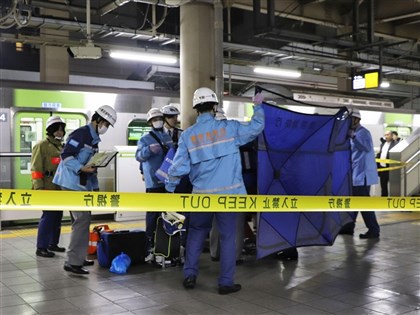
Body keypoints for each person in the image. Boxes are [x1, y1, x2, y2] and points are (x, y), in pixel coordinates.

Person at [165, 87, 265, 295]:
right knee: (228, 237)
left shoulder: (188, 135)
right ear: (215, 106)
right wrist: (258, 107)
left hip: (201, 196)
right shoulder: (229, 128)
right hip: (229, 196)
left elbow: (179, 167)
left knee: (196, 233)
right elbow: (257, 127)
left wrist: (171, 187)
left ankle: (190, 275)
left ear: (196, 109)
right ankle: (226, 282)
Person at [53, 105, 117, 274]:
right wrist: (81, 168)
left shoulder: (94, 139)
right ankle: (73, 262)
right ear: (98, 120)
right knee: (81, 220)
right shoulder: (81, 133)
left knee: (83, 220)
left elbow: (91, 167)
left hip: (81, 185)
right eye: (106, 124)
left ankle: (78, 257)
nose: (106, 128)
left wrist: (95, 189)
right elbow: (66, 156)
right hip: (69, 182)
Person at [135, 108, 173, 258]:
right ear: (150, 122)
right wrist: (148, 150)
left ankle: (165, 241)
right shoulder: (145, 139)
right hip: (153, 182)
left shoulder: (167, 136)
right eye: (154, 119)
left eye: (159, 118)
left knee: (167, 212)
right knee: (152, 213)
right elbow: (138, 157)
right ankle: (149, 242)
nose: (157, 121)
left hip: (168, 181)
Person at [209, 107, 245, 265]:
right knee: (236, 223)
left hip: (212, 189)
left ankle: (214, 252)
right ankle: (235, 256)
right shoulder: (232, 140)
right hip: (232, 188)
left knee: (216, 222)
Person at [340, 109, 380, 239]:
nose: (349, 123)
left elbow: (366, 147)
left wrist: (354, 137)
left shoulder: (363, 133)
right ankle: (348, 227)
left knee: (363, 203)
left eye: (350, 120)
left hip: (362, 176)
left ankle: (374, 230)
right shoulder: (353, 133)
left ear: (357, 120)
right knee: (354, 201)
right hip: (356, 175)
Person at [32, 116, 67, 258]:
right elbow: (35, 168)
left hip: (59, 186)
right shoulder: (41, 145)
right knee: (48, 216)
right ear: (51, 130)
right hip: (47, 186)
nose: (60, 132)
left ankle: (53, 243)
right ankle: (41, 247)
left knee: (57, 216)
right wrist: (39, 188)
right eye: (57, 129)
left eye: (62, 129)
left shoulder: (62, 146)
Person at [377, 130, 396, 197]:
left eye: (388, 135)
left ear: (391, 136)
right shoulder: (382, 144)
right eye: (385, 135)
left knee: (393, 186)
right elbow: (380, 154)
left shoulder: (395, 144)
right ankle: (383, 200)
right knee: (383, 186)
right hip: (382, 168)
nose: (386, 136)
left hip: (390, 168)